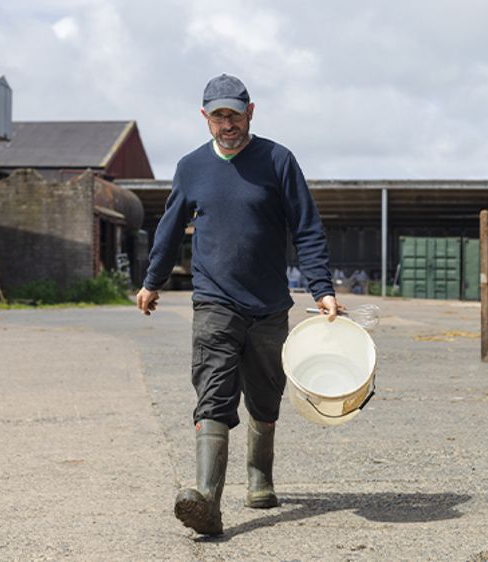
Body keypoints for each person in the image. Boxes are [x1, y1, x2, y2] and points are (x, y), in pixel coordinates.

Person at [136, 73, 342, 536]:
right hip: (214, 300)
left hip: (269, 304)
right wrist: (152, 281)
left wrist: (322, 288)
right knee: (213, 392)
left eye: (234, 113)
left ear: (251, 111)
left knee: (265, 396)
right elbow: (168, 229)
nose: (227, 123)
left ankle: (259, 475)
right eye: (218, 115)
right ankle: (206, 501)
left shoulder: (278, 161)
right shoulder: (191, 167)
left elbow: (307, 229)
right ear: (204, 117)